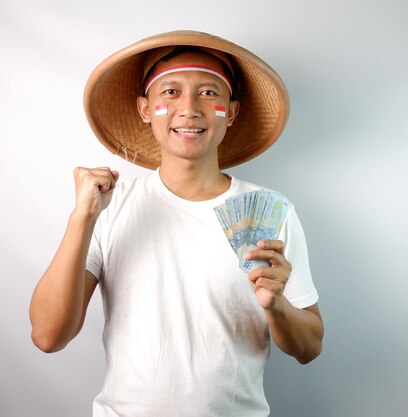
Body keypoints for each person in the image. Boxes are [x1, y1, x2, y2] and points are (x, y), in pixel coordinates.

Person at [29, 30, 324, 417]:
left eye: (208, 93)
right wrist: (81, 217)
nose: (189, 108)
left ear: (231, 112)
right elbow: (49, 335)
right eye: (170, 92)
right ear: (145, 108)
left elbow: (309, 347)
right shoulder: (108, 208)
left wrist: (277, 306)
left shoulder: (269, 211)